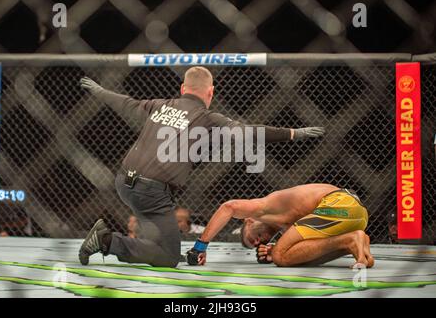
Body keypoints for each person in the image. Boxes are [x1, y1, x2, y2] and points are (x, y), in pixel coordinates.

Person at [78, 66, 325, 267]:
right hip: (151, 191)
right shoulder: (207, 117)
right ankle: (106, 240)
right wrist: (293, 133)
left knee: (157, 238)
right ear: (210, 93)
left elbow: (123, 102)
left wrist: (98, 90)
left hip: (124, 182)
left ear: (183, 88)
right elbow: (249, 132)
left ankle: (127, 242)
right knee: (168, 256)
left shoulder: (159, 105)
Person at [187, 183, 374, 268]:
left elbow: (229, 207)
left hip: (338, 204)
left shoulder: (264, 206)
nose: (260, 241)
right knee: (294, 258)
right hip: (357, 215)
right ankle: (355, 243)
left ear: (249, 221)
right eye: (258, 243)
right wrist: (271, 253)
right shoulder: (290, 225)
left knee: (280, 255)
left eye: (253, 237)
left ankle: (350, 239)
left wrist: (200, 247)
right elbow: (312, 252)